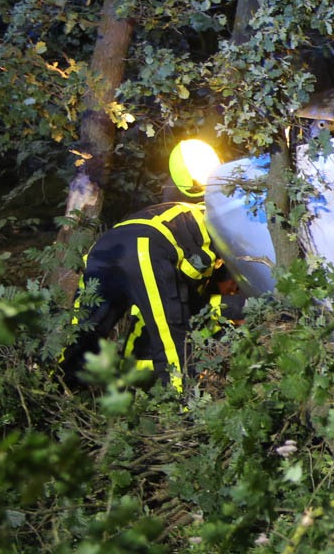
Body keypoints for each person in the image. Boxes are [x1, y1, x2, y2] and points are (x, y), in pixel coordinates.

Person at [63, 139, 235, 392]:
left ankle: (57, 387)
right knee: (172, 336)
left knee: (83, 331)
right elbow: (191, 287)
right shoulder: (214, 221)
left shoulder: (168, 212)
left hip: (102, 249)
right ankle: (183, 403)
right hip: (144, 248)